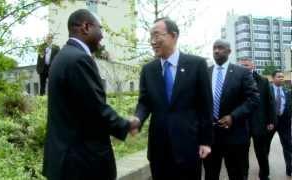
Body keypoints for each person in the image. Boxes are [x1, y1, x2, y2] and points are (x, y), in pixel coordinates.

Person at [42, 9, 140, 180]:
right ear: (86, 27)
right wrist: (125, 125)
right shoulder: (79, 59)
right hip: (82, 165)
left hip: (63, 162)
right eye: (100, 29)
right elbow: (95, 108)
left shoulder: (61, 57)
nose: (102, 35)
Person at [133, 17, 213, 180]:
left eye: (157, 36)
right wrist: (137, 119)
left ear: (173, 36)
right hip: (158, 147)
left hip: (188, 145)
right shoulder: (148, 70)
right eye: (151, 37)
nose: (153, 42)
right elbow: (144, 102)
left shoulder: (197, 64)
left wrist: (206, 141)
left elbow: (205, 105)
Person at [203, 40, 260, 180]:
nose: (216, 51)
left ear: (229, 51)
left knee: (237, 175)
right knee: (210, 175)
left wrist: (233, 116)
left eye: (220, 48)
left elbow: (253, 99)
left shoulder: (242, 73)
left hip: (236, 136)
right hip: (210, 137)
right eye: (214, 48)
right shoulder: (205, 73)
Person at [239, 58, 276, 180]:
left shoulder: (263, 81)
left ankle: (264, 175)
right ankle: (243, 175)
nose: (244, 67)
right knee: (242, 152)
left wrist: (271, 121)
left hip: (259, 122)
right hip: (241, 123)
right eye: (242, 65)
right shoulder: (235, 80)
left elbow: (270, 102)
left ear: (253, 66)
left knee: (261, 152)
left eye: (246, 65)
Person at [270, 70, 292, 178]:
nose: (281, 78)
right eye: (279, 77)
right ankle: (264, 169)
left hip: (285, 123)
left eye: (282, 77)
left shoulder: (287, 91)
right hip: (270, 123)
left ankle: (290, 169)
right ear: (273, 78)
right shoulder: (267, 91)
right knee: (265, 147)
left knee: (288, 146)